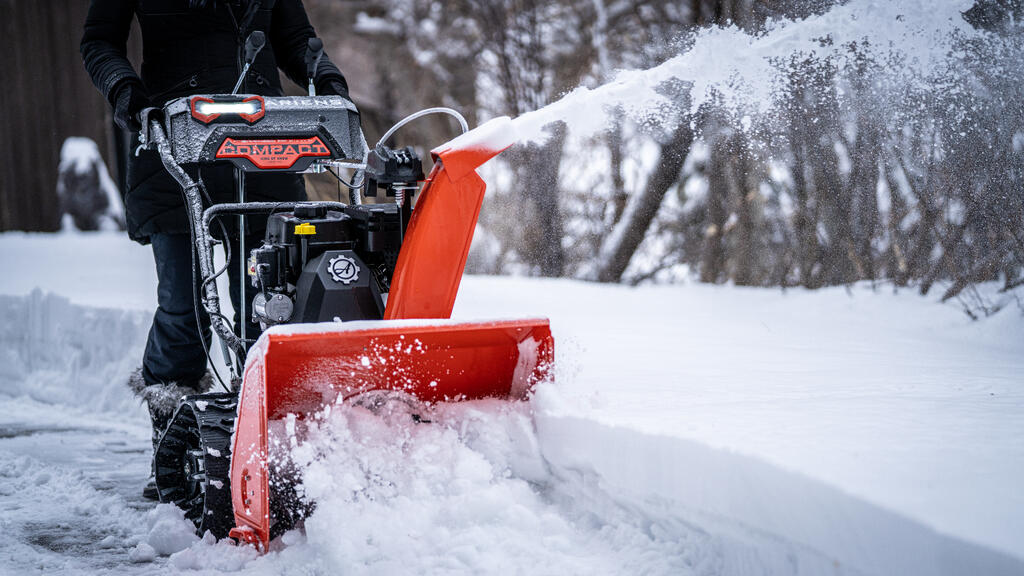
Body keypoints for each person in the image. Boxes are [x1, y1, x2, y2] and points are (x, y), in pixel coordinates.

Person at [80, 0, 357, 499]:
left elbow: (296, 39)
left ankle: (270, 440)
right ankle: (171, 443)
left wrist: (328, 80)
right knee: (185, 309)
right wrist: (129, 94)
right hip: (173, 138)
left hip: (265, 142)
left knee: (273, 299)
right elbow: (99, 42)